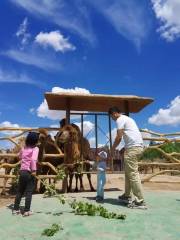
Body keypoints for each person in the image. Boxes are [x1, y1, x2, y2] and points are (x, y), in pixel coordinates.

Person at [109, 106, 147, 209]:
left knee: (133, 174)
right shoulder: (128, 119)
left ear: (114, 114)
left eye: (111, 116)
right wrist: (124, 148)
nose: (112, 119)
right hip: (136, 147)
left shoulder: (120, 119)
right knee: (128, 173)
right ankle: (126, 196)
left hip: (133, 149)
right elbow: (131, 136)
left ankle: (140, 201)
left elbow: (119, 136)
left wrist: (112, 149)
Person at [13, 132, 39, 216]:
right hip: (29, 172)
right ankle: (27, 211)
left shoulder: (24, 148)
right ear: (36, 141)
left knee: (20, 191)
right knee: (29, 192)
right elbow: (33, 160)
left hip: (22, 172)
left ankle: (15, 209)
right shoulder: (35, 149)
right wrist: (34, 170)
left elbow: (19, 156)